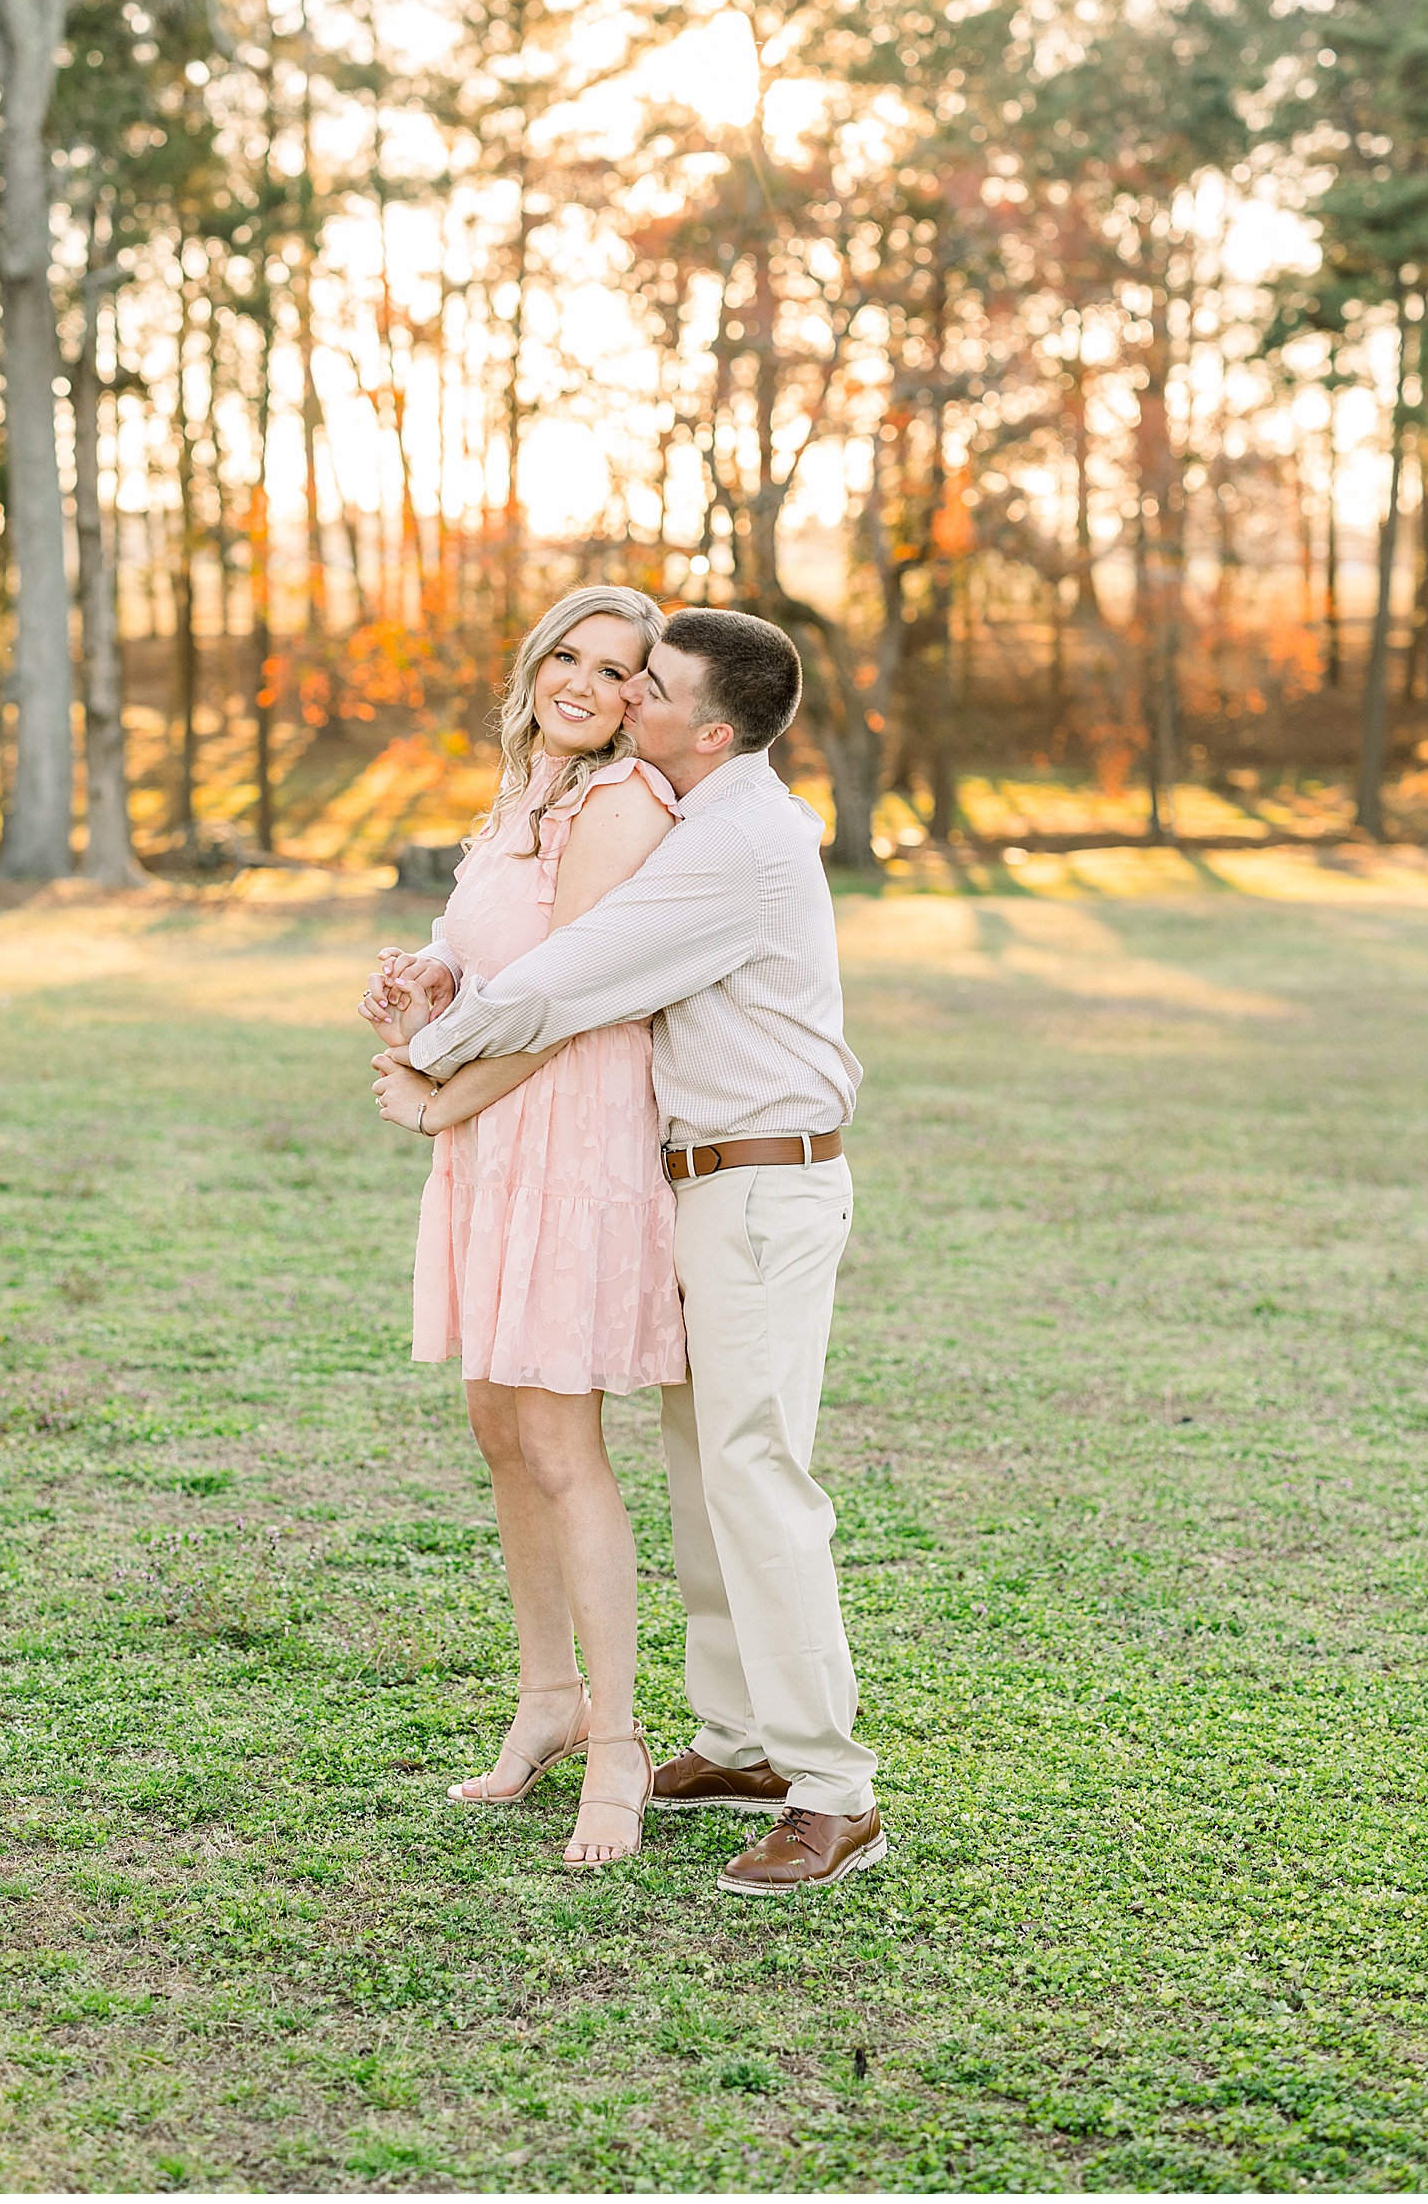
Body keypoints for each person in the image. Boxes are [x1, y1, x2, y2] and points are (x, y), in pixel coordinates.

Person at [379, 608, 883, 1898]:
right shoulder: (701, 809)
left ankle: (832, 1786)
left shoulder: (732, 838)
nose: (623, 699)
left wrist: (432, 1076)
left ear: (708, 727)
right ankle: (741, 1741)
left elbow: (576, 974)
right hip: (707, 1180)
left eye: (646, 685)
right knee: (708, 1467)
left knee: (761, 1476)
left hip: (764, 1184)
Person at [360, 585, 683, 1870]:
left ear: (639, 703)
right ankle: (545, 1696)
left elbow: (569, 1001)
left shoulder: (616, 804)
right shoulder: (519, 794)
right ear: (539, 661)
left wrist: (442, 1092)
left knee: (558, 1431)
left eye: (618, 673)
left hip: (566, 1129)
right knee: (497, 1419)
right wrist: (427, 982)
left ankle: (620, 1740)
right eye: (571, 654)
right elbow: (490, 961)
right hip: (498, 1129)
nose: (585, 683)